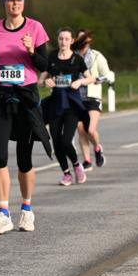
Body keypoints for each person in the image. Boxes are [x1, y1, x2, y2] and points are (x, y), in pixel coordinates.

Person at [0, 0, 53, 235]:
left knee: (24, 158)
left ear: (24, 2)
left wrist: (32, 50)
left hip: (26, 98)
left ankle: (26, 209)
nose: (15, 4)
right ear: (4, 2)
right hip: (1, 96)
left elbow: (45, 64)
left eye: (19, 0)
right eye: (11, 0)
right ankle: (3, 214)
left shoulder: (35, 27)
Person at [42, 28, 94, 185]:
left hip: (71, 104)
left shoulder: (77, 59)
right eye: (60, 39)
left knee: (66, 141)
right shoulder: (51, 57)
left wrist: (80, 81)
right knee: (56, 142)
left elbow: (90, 78)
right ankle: (66, 173)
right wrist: (45, 82)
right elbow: (42, 77)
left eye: (66, 39)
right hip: (56, 103)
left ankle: (77, 166)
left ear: (71, 41)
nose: (63, 42)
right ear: (57, 40)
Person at [71, 30, 113, 169]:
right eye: (80, 37)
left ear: (89, 40)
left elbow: (107, 75)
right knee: (80, 129)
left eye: (85, 37)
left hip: (92, 96)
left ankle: (97, 148)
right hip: (76, 96)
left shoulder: (96, 56)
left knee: (90, 129)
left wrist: (97, 79)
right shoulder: (72, 56)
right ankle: (87, 161)